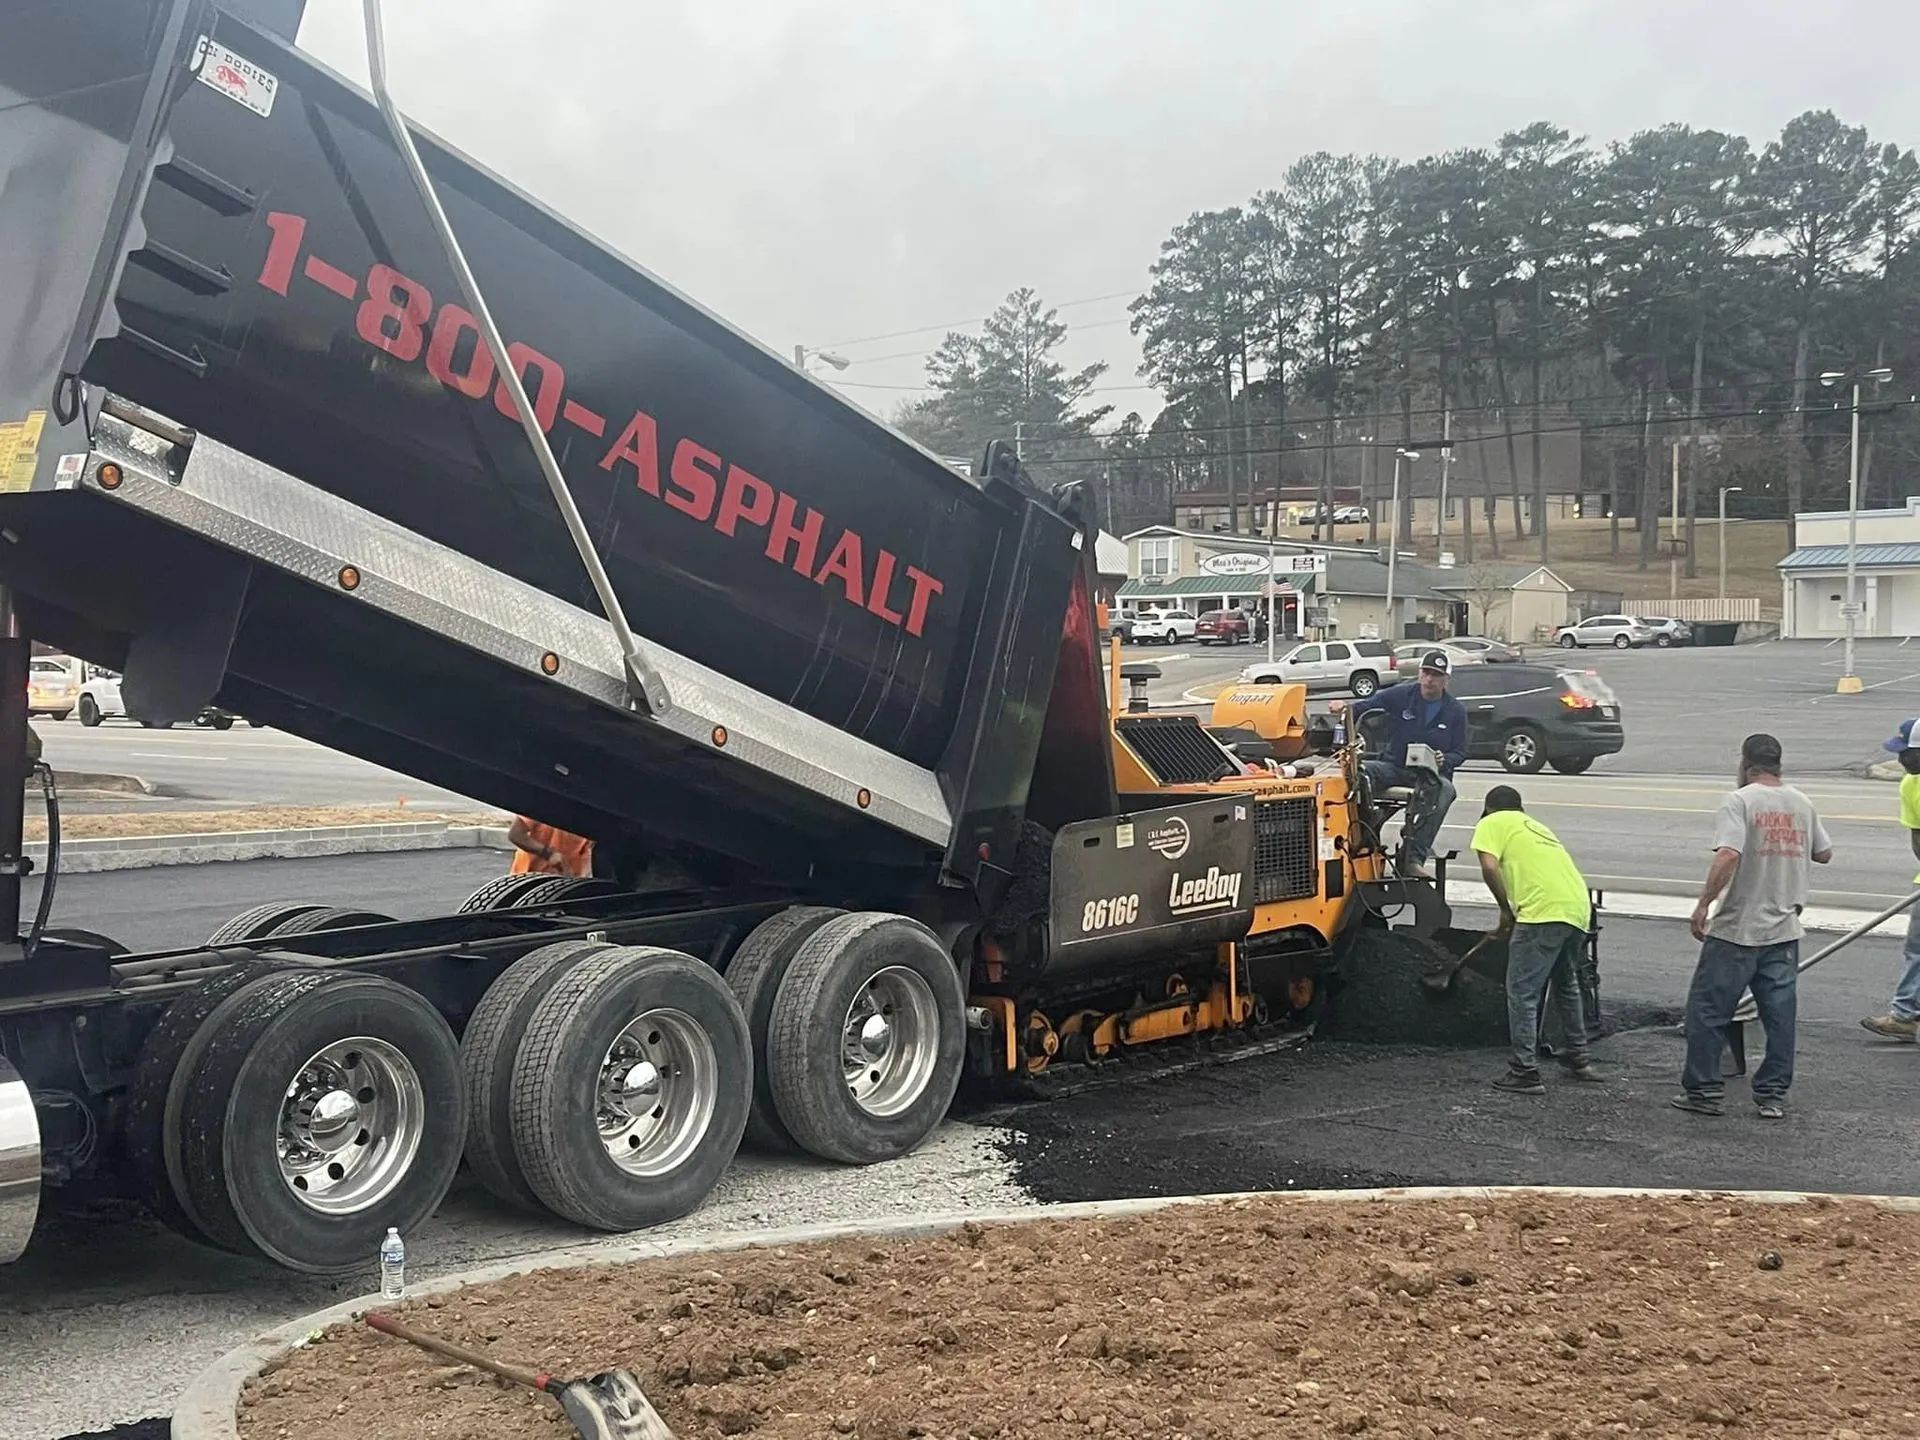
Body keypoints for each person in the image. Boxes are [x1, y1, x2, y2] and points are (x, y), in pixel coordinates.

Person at [1675, 733, 1832, 1120]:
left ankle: (1705, 1091)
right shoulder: (1802, 802)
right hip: (1783, 928)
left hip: (1737, 929)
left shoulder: (1740, 801)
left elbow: (1729, 853)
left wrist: (1703, 903)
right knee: (1779, 1017)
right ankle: (1772, 1095)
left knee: (1708, 1011)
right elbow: (1824, 853)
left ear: (1745, 764)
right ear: (1779, 764)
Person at [1471, 785, 1601, 1094]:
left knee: (1522, 992)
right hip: (1578, 909)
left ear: (1489, 808)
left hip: (1542, 912)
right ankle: (1577, 1057)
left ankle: (1524, 1070)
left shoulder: (1491, 822)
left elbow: (1489, 866)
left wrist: (1505, 911)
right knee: (1566, 983)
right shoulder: (1537, 827)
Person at [1330, 650, 1467, 879]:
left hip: (1430, 775)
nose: (1430, 679)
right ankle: (1364, 835)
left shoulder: (1456, 711)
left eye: (1436, 675)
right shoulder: (1401, 695)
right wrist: (1344, 709)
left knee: (1446, 791)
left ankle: (1412, 858)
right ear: (1420, 673)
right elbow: (1364, 707)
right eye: (1426, 672)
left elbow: (1461, 752)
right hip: (1395, 766)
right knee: (1361, 773)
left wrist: (1446, 759)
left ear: (1446, 679)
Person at [1861, 717, 1920, 1041]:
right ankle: (1906, 1015)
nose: (1901, 760)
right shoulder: (1910, 785)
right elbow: (1918, 838)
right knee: (1917, 949)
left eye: (1907, 753)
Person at [507, 816, 593, 877]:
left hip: (563, 882)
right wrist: (548, 854)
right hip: (527, 877)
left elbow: (588, 850)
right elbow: (515, 835)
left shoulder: (591, 815)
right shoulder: (543, 802)